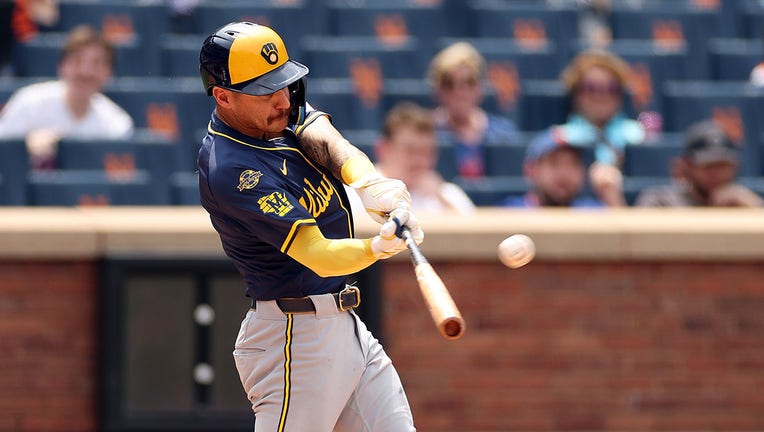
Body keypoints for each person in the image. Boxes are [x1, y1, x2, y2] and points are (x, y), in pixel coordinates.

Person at [196, 22, 424, 431]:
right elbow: (317, 255)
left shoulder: (274, 111)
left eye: (283, 83)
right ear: (224, 97)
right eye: (265, 91)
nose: (283, 100)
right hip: (293, 338)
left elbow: (326, 139)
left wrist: (369, 183)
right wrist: (377, 248)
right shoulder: (231, 168)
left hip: (345, 326)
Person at [0, 24, 133, 169]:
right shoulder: (29, 101)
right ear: (62, 66)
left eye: (97, 63)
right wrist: (25, 147)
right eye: (77, 61)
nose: (86, 72)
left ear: (109, 73)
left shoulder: (116, 123)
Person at [349, 101, 475, 217]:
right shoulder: (356, 193)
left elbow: (472, 231)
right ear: (383, 149)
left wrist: (440, 198)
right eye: (410, 150)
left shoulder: (449, 194)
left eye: (425, 152)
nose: (418, 161)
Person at [555, 48, 646, 206]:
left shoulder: (638, 135)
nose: (601, 95)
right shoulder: (560, 138)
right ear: (576, 93)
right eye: (591, 88)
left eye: (611, 88)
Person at [427, 41, 518, 179]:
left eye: (469, 82)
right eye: (449, 84)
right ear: (437, 90)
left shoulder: (503, 133)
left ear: (480, 87)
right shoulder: (426, 133)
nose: (459, 92)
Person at [635, 120, 763, 207]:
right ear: (688, 166)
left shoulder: (743, 203)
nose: (716, 173)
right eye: (708, 165)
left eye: (722, 165)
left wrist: (753, 207)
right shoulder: (661, 201)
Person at [500, 126, 603, 208]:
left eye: (573, 164)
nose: (564, 172)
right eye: (555, 163)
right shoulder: (508, 214)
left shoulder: (593, 214)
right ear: (531, 170)